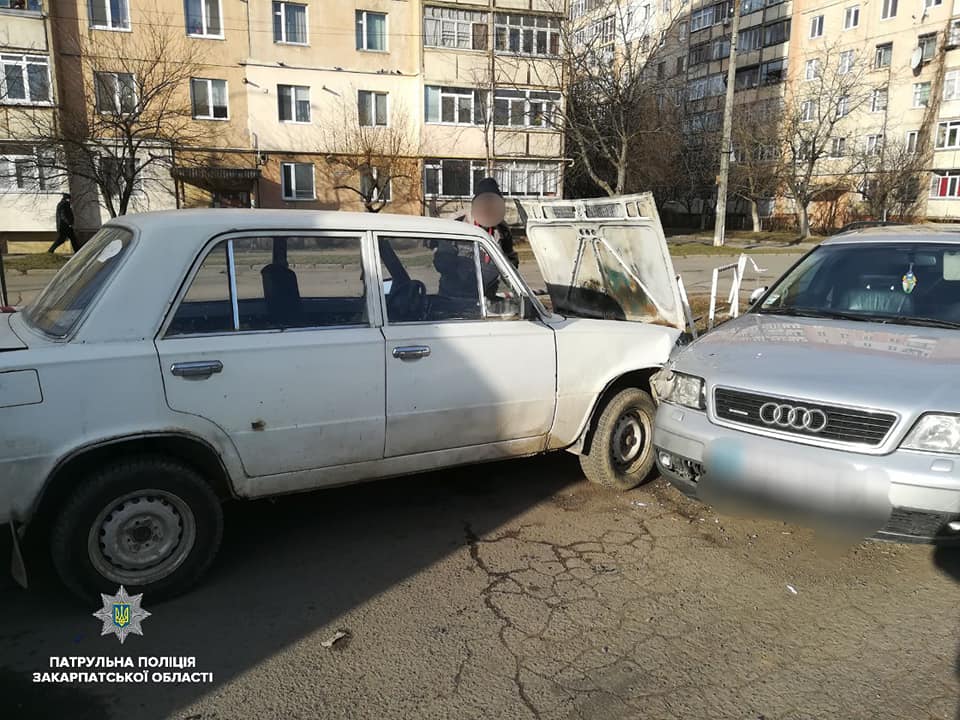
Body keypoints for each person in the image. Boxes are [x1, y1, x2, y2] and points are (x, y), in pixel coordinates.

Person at [455, 177, 519, 269]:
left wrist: (507, 267)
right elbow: (442, 260)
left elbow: (511, 257)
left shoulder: (502, 228)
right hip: (459, 281)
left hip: (492, 281)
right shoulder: (459, 222)